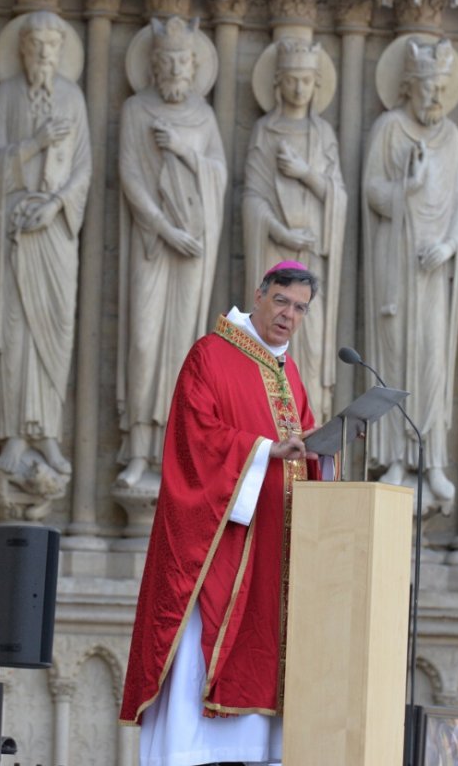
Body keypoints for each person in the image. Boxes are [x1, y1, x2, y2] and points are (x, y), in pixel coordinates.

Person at [120, 262, 322, 766]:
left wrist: (327, 449)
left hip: (277, 545)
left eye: (300, 308)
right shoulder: (210, 355)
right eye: (281, 301)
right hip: (224, 546)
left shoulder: (288, 373)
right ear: (259, 294)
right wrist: (262, 452)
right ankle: (190, 750)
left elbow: (306, 441)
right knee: (205, 641)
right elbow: (194, 441)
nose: (288, 316)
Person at [116, 16, 227, 490]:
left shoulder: (203, 117)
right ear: (155, 66)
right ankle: (139, 448)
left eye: (184, 61)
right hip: (153, 242)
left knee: (184, 346)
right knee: (143, 342)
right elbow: (129, 174)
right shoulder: (136, 111)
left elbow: (219, 175)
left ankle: (173, 450)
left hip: (193, 247)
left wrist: (184, 149)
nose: (177, 69)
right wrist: (163, 228)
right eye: (168, 62)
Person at [362, 37, 458, 512]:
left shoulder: (451, 138)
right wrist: (408, 186)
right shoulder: (389, 129)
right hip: (395, 264)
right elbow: (371, 193)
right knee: (394, 355)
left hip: (433, 271)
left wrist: (448, 245)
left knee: (431, 359)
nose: (435, 98)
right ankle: (395, 460)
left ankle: (432, 461)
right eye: (427, 88)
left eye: (441, 89)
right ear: (408, 87)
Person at [0, 10, 91, 478]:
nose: (44, 54)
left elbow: (83, 167)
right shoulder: (6, 97)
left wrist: (57, 204)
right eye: (35, 46)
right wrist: (35, 143)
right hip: (15, 227)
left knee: (54, 329)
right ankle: (15, 433)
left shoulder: (72, 97)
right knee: (16, 327)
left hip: (56, 230)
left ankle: (46, 430)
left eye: (52, 46)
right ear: (22, 51)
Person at [243, 38, 347, 424]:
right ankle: (267, 428)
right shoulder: (265, 132)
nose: (299, 88)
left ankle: (307, 430)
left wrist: (305, 173)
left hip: (313, 257)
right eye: (292, 80)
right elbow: (252, 197)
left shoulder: (322, 135)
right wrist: (279, 230)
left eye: (306, 80)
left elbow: (338, 197)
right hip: (274, 249)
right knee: (271, 333)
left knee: (309, 348)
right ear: (278, 83)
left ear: (316, 83)